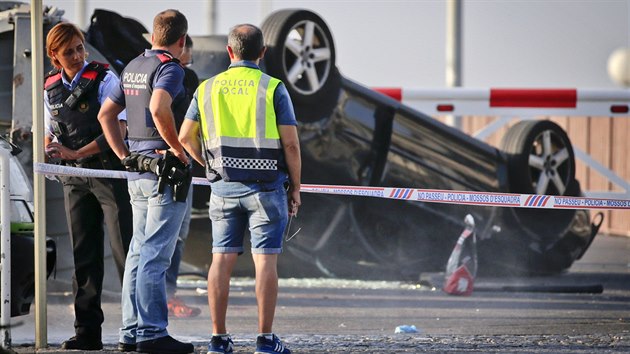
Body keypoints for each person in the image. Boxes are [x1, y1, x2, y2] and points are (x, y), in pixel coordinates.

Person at [179, 23, 301, 354]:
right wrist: (297, 188)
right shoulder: (273, 87)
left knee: (220, 260)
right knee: (266, 263)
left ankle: (218, 339)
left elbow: (184, 136)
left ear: (229, 52)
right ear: (262, 53)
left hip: (223, 187)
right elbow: (290, 145)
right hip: (266, 189)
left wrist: (208, 165)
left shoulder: (206, 88)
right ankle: (265, 339)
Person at [97, 9, 194, 354]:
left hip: (136, 170)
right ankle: (153, 333)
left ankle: (130, 331)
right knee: (155, 254)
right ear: (181, 40)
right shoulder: (170, 68)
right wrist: (177, 149)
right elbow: (158, 107)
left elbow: (106, 114)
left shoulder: (133, 66)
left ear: (152, 35)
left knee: (138, 252)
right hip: (163, 173)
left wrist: (124, 154)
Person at [43, 22, 133, 351]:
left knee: (125, 252)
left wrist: (76, 152)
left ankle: (135, 328)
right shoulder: (49, 87)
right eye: (69, 51)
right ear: (54, 56)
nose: (78, 55)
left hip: (108, 174)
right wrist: (49, 147)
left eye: (80, 47)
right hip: (74, 179)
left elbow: (119, 128)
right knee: (84, 256)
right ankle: (87, 332)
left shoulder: (105, 78)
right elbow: (49, 129)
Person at [165, 34, 201, 319]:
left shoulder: (188, 76)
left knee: (178, 233)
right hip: (172, 163)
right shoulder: (178, 75)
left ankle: (167, 295)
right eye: (186, 45)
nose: (188, 51)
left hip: (178, 164)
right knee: (169, 234)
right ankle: (165, 296)